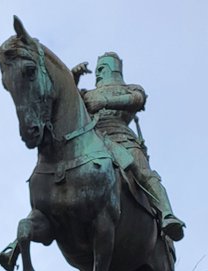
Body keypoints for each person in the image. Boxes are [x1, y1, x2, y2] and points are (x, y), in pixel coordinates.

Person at [71, 53, 185, 241]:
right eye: (97, 69)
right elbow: (67, 100)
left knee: (143, 173)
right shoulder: (86, 94)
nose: (98, 73)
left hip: (122, 138)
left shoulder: (129, 88)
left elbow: (137, 99)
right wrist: (73, 76)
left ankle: (167, 214)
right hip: (92, 141)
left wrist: (104, 102)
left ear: (112, 69)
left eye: (102, 69)